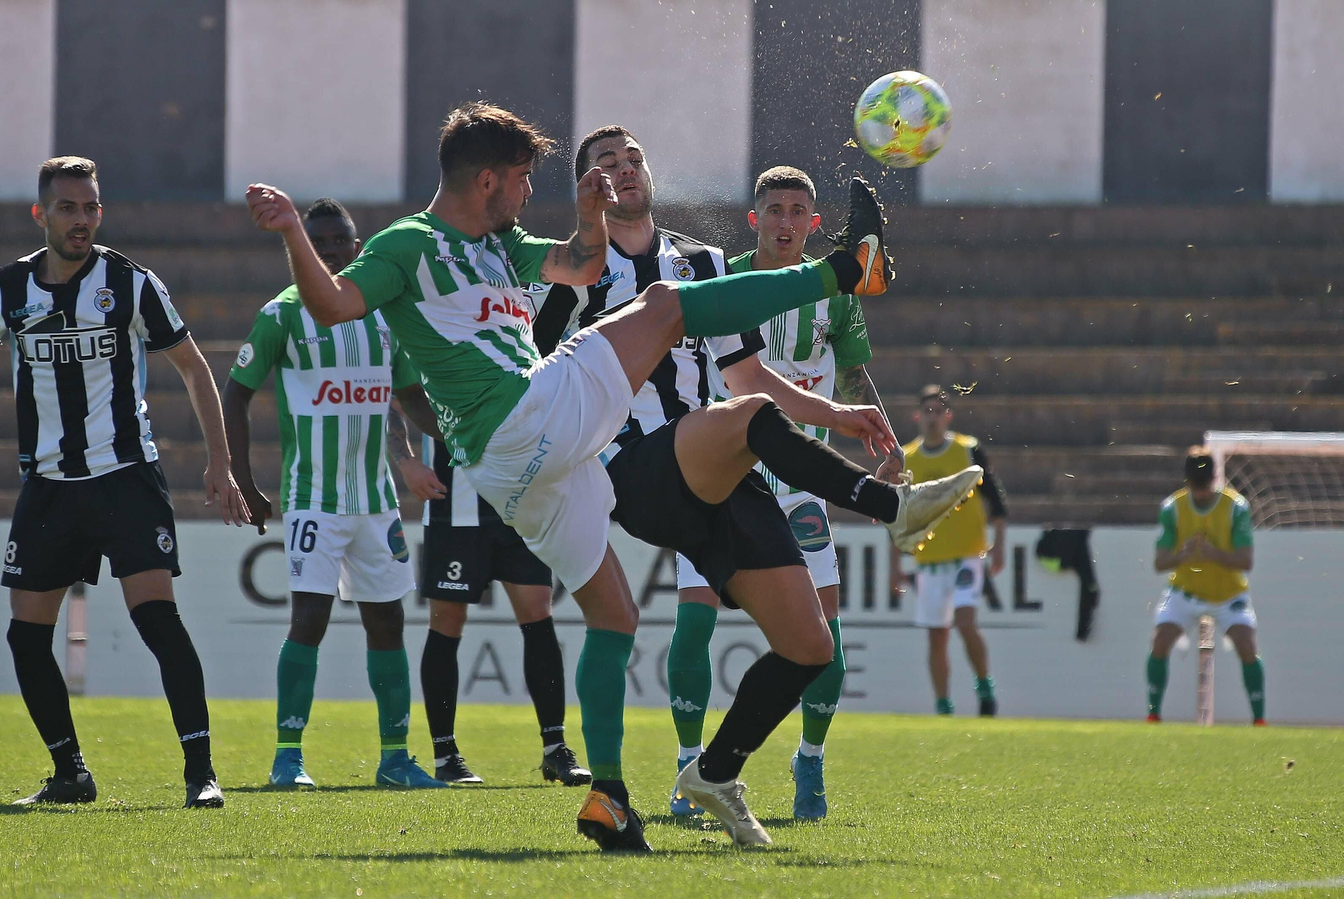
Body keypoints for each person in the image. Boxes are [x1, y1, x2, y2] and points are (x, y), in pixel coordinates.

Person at [246, 102, 970, 852]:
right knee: (665, 312)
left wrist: (589, 221)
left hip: (528, 467)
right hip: (532, 423)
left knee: (626, 617)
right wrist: (295, 232)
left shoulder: (507, 245)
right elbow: (332, 305)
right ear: (488, 179)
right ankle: (848, 275)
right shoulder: (407, 244)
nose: (532, 192)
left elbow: (579, 262)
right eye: (525, 179)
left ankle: (617, 800)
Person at [532, 126, 983, 846]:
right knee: (749, 422)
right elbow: (539, 361)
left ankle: (714, 771)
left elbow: (744, 375)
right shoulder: (570, 268)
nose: (622, 171)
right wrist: (582, 245)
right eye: (603, 165)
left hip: (716, 461)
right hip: (634, 463)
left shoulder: (700, 260)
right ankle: (891, 509)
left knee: (811, 646)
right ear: (585, 186)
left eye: (632, 158)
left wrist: (839, 411)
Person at [0, 156, 246, 808]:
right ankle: (70, 772)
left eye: (91, 207)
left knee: (158, 621)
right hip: (49, 485)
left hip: (124, 477)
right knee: (26, 634)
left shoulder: (130, 282)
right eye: (69, 207)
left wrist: (219, 460)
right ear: (42, 214)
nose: (82, 219)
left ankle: (200, 772)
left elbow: (193, 365)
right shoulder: (4, 290)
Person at [654, 165, 885, 822]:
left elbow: (856, 377)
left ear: (814, 223)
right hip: (717, 480)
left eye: (798, 211)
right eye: (774, 209)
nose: (786, 221)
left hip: (800, 488)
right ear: (755, 219)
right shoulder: (718, 277)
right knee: (694, 622)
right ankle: (687, 764)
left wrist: (885, 443)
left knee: (826, 644)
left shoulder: (835, 294)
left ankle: (808, 759)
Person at [222, 198, 446, 790]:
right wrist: (243, 479)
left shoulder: (384, 316)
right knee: (309, 621)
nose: (328, 251)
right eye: (316, 242)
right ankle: (288, 758)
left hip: (377, 503)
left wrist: (458, 430)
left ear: (356, 244)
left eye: (338, 242)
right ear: (299, 248)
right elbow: (235, 392)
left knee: (388, 624)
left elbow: (409, 397)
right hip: (313, 498)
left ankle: (395, 759)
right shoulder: (283, 314)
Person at [412, 428, 591, 786]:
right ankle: (445, 755)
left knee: (538, 611)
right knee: (447, 620)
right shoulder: (433, 368)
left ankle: (555, 748)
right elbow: (400, 402)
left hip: (519, 505)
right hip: (454, 506)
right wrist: (405, 461)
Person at [891, 385, 1007, 716]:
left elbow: (996, 500)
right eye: (926, 411)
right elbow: (897, 515)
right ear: (917, 416)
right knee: (936, 636)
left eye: (938, 412)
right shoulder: (907, 458)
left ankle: (984, 688)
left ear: (948, 417)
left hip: (967, 556)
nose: (932, 418)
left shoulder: (968, 450)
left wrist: (998, 546)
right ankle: (943, 704)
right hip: (928, 561)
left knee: (966, 622)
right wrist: (894, 565)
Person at [1146, 448, 1265, 725]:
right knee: (1160, 639)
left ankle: (1260, 719)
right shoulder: (1172, 508)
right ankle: (1153, 714)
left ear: (1215, 479)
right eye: (1195, 486)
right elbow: (1159, 563)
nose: (1200, 493)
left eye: (1204, 485)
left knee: (1247, 644)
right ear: (1187, 481)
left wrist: (1215, 554)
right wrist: (1181, 556)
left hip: (1228, 593)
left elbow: (1246, 561)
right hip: (1185, 591)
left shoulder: (1236, 507)